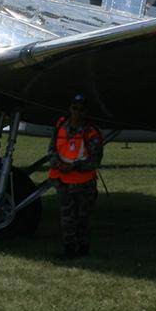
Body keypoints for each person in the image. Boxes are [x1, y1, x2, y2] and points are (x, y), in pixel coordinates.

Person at [50, 94, 105, 257]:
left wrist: (72, 166)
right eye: (75, 108)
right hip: (63, 182)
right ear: (70, 109)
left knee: (83, 219)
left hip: (84, 184)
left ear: (85, 112)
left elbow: (95, 160)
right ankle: (68, 250)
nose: (77, 112)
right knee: (67, 219)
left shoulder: (91, 133)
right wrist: (58, 164)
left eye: (81, 109)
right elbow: (51, 150)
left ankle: (83, 249)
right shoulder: (60, 126)